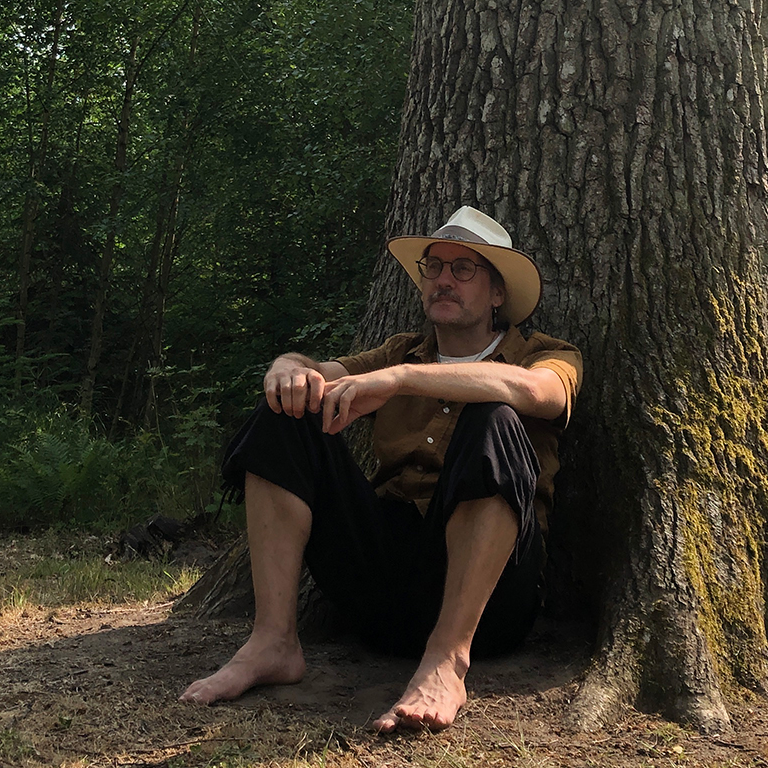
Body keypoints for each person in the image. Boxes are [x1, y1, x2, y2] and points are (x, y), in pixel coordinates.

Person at [180, 208, 582, 732]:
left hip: (493, 605)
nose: (443, 280)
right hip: (382, 586)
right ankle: (273, 642)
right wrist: (287, 368)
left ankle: (446, 662)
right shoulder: (401, 351)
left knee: (494, 418)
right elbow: (314, 374)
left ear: (497, 293)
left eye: (464, 269)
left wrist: (400, 381)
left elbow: (537, 393)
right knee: (287, 414)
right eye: (434, 267)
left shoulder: (544, 354)